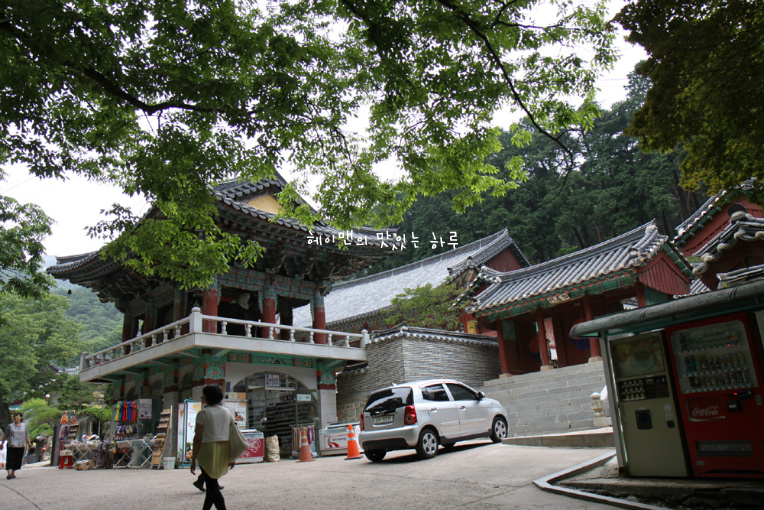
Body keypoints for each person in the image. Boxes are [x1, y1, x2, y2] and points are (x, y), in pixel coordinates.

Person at [190, 385, 235, 510]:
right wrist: (232, 456)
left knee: (212, 487)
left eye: (203, 395)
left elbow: (197, 438)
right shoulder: (226, 412)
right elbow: (231, 434)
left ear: (207, 397)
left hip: (207, 450)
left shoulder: (203, 413)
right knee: (211, 484)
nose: (201, 397)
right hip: (223, 449)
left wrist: (193, 458)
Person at [2, 412, 31, 479]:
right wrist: (2, 444)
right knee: (10, 459)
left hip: (21, 445)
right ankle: (9, 473)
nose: (16, 417)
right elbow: (5, 436)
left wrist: (29, 443)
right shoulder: (10, 426)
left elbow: (26, 435)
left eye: (17, 416)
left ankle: (12, 473)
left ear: (21, 418)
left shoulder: (24, 426)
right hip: (12, 445)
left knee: (17, 459)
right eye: (15, 416)